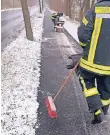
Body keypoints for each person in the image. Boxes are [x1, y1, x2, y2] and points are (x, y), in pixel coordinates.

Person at [77, 0, 110, 124]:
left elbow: (82, 33)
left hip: (91, 62)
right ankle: (104, 109)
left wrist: (84, 46)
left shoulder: (95, 9)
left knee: (85, 80)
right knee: (106, 86)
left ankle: (96, 111)